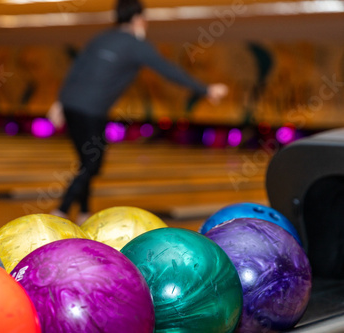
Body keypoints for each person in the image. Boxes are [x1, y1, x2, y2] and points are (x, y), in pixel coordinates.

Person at [49, 0, 229, 225]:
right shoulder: (136, 45)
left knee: (86, 161)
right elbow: (168, 70)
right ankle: (62, 209)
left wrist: (58, 103)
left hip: (71, 106)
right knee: (92, 163)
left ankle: (84, 210)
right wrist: (206, 89)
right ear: (137, 19)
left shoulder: (101, 38)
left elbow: (76, 68)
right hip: (91, 111)